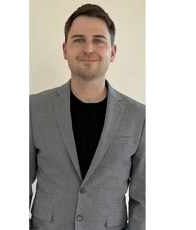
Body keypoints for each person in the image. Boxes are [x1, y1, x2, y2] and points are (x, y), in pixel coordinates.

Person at [30, 3, 145, 230]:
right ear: (65, 50)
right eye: (79, 39)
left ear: (112, 52)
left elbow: (145, 199)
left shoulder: (138, 117)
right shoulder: (33, 109)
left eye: (99, 40)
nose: (88, 49)